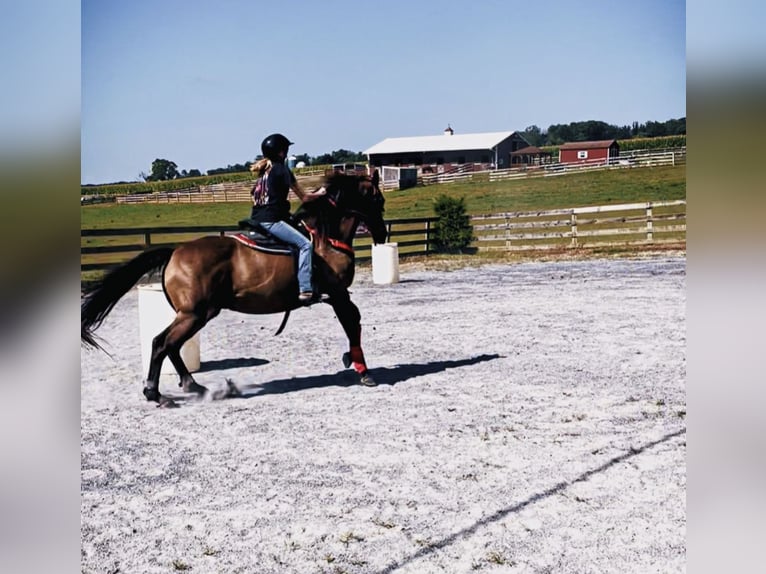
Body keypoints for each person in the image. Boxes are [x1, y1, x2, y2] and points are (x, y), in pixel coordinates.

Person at [248, 133, 325, 303]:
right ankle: (305, 289)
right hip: (271, 220)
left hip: (255, 218)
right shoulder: (282, 170)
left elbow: (254, 194)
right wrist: (319, 193)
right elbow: (304, 198)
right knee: (305, 244)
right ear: (282, 153)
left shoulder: (264, 172)